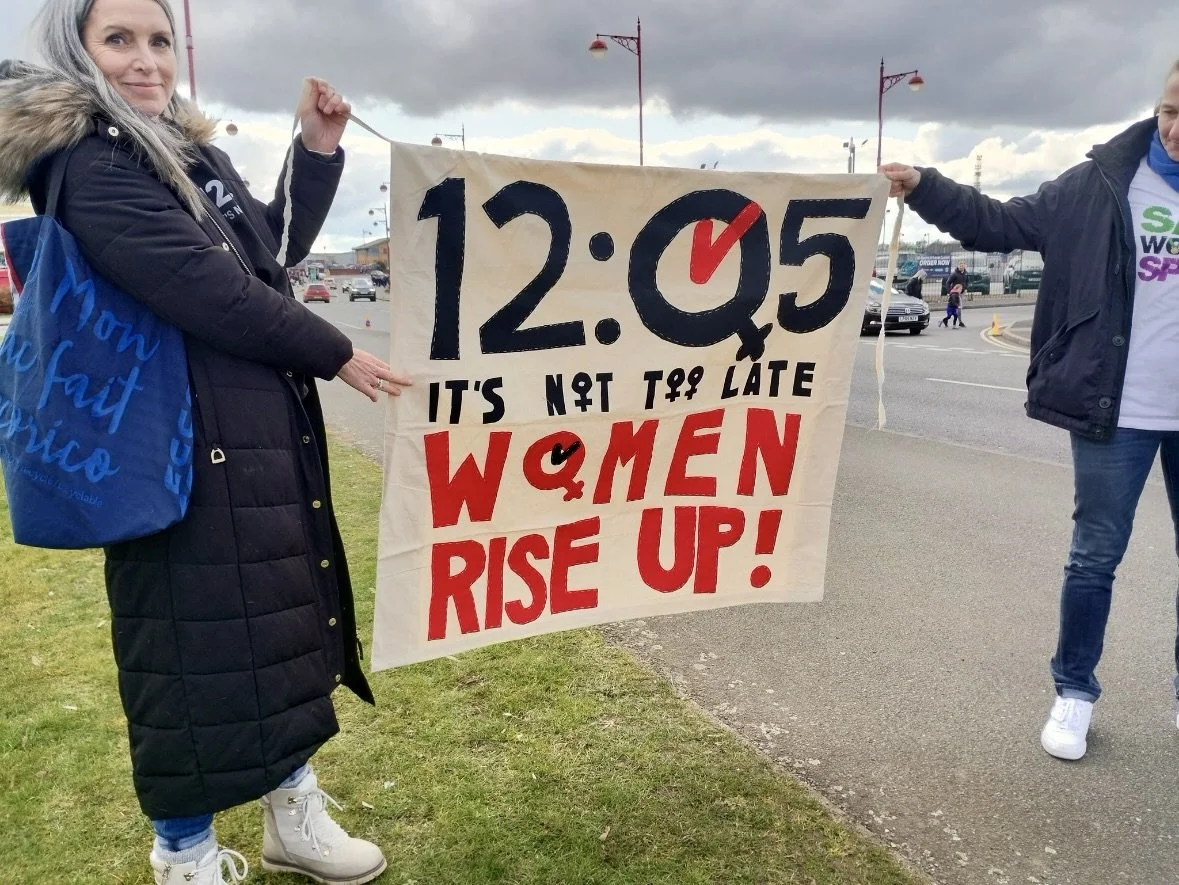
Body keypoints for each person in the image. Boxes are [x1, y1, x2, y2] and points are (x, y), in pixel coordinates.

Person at [0, 0, 411, 882]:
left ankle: (290, 810)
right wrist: (336, 352)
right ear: (75, 52)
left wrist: (317, 148)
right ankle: (182, 851)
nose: (146, 61)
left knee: (281, 624)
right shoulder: (85, 163)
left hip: (258, 430)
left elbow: (268, 250)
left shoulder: (188, 153)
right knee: (185, 650)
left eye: (158, 41)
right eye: (119, 40)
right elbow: (203, 289)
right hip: (172, 445)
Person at [881, 57, 1179, 763]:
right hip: (1121, 408)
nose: (1176, 129)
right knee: (1094, 555)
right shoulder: (1101, 183)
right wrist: (924, 186)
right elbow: (997, 222)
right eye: (1171, 110)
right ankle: (1073, 691)